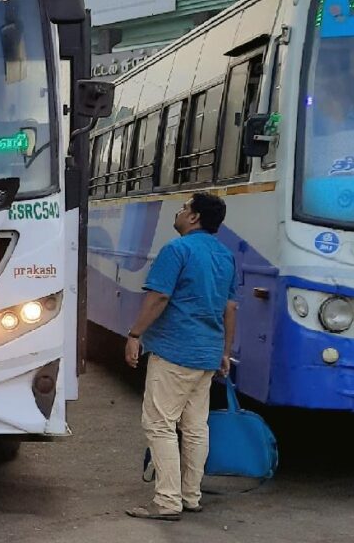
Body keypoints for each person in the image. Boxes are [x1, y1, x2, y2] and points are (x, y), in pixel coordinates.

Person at [124, 191, 239, 521]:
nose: (179, 211)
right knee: (194, 427)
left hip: (175, 351)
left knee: (159, 424)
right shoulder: (224, 255)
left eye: (185, 207)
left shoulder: (177, 249)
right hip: (207, 354)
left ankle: (167, 501)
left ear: (194, 218)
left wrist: (134, 335)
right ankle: (191, 495)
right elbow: (230, 308)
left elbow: (160, 297)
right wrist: (226, 352)